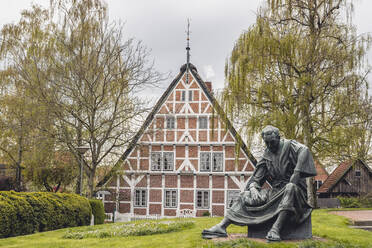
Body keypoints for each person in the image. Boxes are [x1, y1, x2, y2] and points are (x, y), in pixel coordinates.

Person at [202, 125, 317, 241]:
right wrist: (253, 189)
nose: (270, 146)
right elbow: (256, 179)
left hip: (296, 194)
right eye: (267, 143)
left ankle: (275, 229)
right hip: (276, 192)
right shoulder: (267, 155)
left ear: (278, 137)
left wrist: (296, 173)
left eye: (272, 142)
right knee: (244, 195)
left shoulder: (289, 145)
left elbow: (305, 150)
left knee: (290, 187)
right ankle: (222, 227)